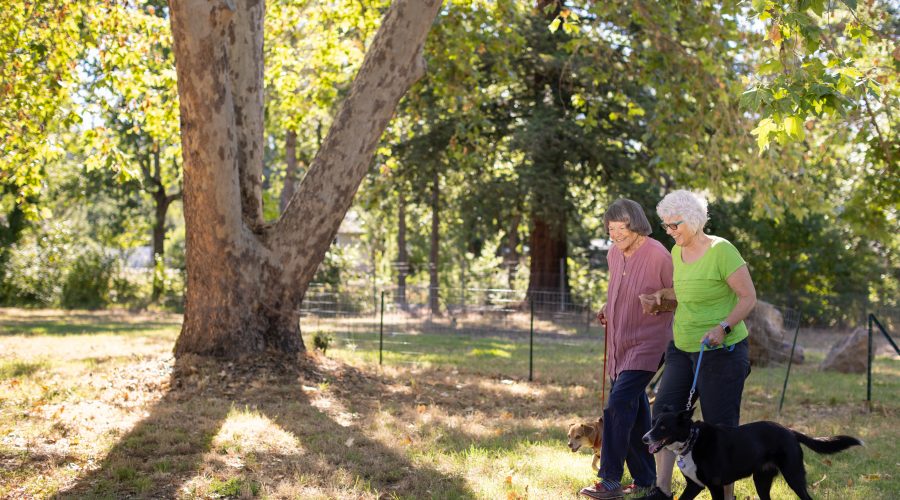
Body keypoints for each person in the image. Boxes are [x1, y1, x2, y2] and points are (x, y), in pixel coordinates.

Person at [638, 190, 757, 500]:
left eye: (674, 225)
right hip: (681, 347)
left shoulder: (722, 251)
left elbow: (748, 298)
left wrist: (723, 326)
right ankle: (662, 490)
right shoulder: (677, 252)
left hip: (722, 351)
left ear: (693, 220)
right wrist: (661, 301)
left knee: (720, 426)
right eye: (665, 225)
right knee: (664, 414)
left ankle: (725, 496)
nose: (669, 231)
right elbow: (690, 294)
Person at [579, 199, 674, 500]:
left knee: (618, 405)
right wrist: (608, 306)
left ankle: (609, 479)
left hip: (648, 342)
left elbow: (680, 293)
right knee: (633, 411)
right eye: (611, 229)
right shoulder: (613, 253)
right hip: (619, 342)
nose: (616, 234)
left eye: (622, 228)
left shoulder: (658, 254)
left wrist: (659, 299)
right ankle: (646, 478)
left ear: (636, 224)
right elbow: (618, 289)